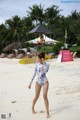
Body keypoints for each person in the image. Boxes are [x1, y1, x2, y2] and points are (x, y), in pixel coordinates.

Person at [28, 52, 50, 118]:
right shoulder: (37, 65)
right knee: (36, 96)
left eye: (38, 58)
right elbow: (34, 74)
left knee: (45, 96)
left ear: (41, 59)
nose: (37, 59)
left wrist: (44, 63)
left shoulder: (47, 64)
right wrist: (30, 82)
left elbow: (46, 71)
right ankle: (32, 108)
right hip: (38, 82)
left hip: (45, 81)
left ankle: (47, 112)